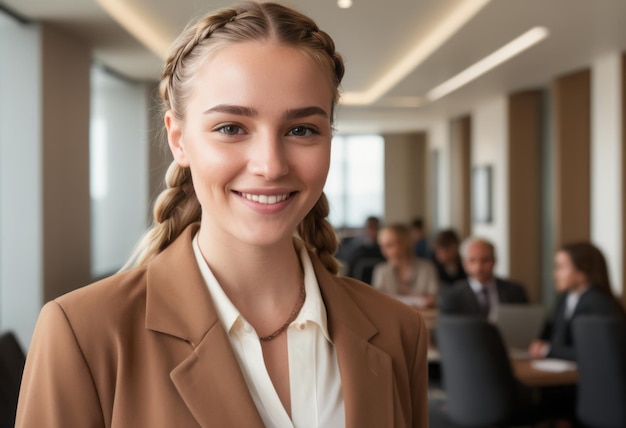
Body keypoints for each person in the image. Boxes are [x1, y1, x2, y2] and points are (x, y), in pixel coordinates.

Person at [15, 3, 429, 427]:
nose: (270, 166)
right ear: (179, 139)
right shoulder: (84, 333)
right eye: (231, 128)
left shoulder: (398, 331)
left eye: (301, 130)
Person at [528, 242, 625, 361]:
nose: (555, 275)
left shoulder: (597, 303)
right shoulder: (565, 299)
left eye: (561, 267)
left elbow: (592, 352)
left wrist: (547, 350)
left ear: (582, 272)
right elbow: (558, 339)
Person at [439, 236, 528, 320]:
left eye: (485, 260)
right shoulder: (452, 295)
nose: (479, 267)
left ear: (494, 260)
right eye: (472, 260)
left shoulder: (515, 291)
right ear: (464, 263)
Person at [372, 223, 439, 309]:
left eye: (389, 245)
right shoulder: (381, 270)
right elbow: (377, 300)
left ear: (404, 243)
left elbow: (433, 299)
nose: (384, 251)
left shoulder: (427, 268)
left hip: (421, 318)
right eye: (382, 246)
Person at [341, 216, 385, 284]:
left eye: (374, 227)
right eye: (370, 227)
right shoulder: (357, 250)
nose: (372, 231)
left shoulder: (384, 250)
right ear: (365, 229)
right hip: (358, 284)